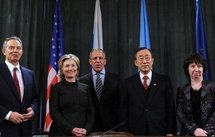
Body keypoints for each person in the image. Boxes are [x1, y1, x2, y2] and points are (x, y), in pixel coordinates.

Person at [120, 47, 176, 136]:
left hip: (159, 130)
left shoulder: (164, 81)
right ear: (135, 62)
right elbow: (124, 111)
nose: (144, 61)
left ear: (152, 60)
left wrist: (170, 131)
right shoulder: (128, 83)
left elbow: (170, 108)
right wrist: (125, 133)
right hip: (135, 131)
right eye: (141, 58)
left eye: (147, 57)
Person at [0, 36, 39, 137]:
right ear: (4, 51)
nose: (15, 50)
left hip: (26, 129)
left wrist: (33, 109)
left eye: (18, 48)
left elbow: (35, 98)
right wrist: (8, 115)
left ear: (22, 52)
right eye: (11, 48)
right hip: (4, 128)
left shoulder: (29, 74)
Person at [49, 54, 94, 136]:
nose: (70, 68)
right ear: (62, 69)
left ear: (77, 68)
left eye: (73, 65)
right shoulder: (56, 88)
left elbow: (91, 112)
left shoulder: (85, 88)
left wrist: (86, 129)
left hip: (82, 134)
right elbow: (54, 113)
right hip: (60, 133)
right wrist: (71, 129)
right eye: (67, 66)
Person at [79, 49, 120, 133]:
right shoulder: (81, 81)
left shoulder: (116, 80)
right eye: (95, 58)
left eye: (100, 58)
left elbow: (121, 105)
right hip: (89, 127)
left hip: (112, 127)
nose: (98, 61)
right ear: (90, 61)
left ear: (105, 61)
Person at [176, 53, 215, 136]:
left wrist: (205, 131)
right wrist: (194, 129)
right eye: (193, 66)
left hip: (209, 133)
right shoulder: (182, 90)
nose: (196, 69)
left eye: (199, 66)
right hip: (188, 133)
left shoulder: (212, 87)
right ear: (187, 69)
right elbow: (180, 112)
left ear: (203, 69)